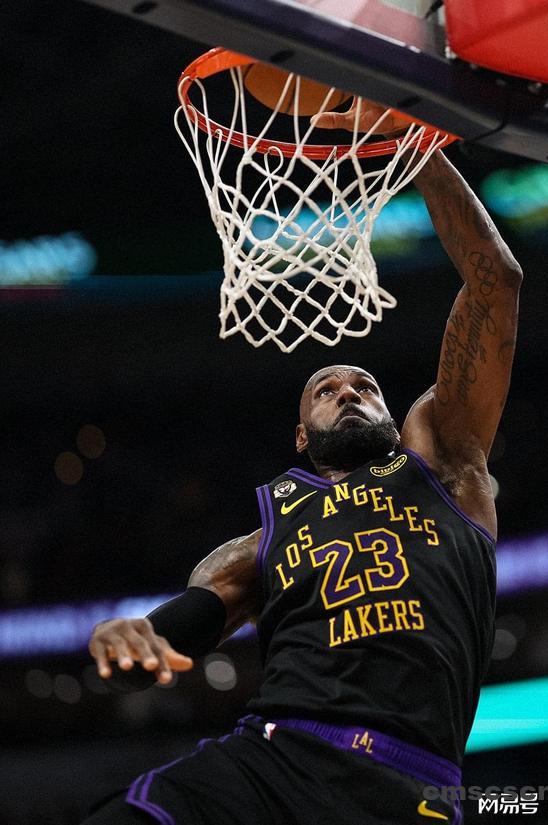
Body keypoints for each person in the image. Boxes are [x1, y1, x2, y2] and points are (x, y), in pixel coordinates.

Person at [84, 102, 523, 825]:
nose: (348, 391)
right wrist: (133, 634)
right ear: (300, 436)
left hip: (407, 784)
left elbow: (495, 282)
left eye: (365, 386)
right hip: (273, 758)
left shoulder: (444, 465)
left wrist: (413, 142)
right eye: (326, 389)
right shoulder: (263, 538)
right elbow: (185, 626)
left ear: (393, 417)